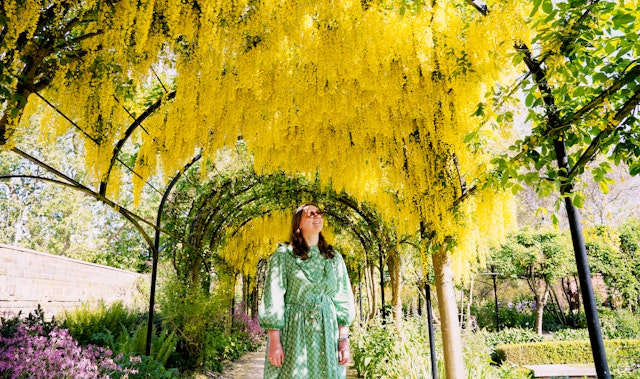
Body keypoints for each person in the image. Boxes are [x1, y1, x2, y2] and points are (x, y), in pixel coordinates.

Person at [258, 204, 356, 379]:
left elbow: (343, 299)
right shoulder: (284, 256)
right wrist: (274, 342)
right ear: (298, 224)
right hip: (294, 331)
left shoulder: (334, 258)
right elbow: (274, 297)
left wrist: (344, 341)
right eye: (310, 214)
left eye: (319, 213)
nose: (316, 216)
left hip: (327, 330)